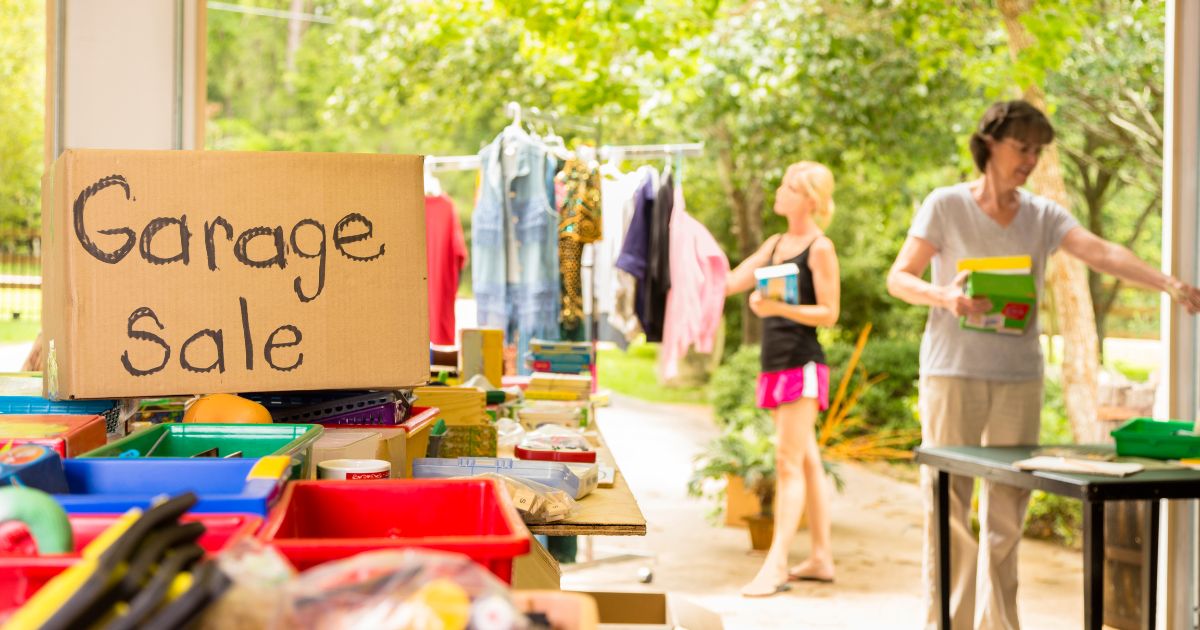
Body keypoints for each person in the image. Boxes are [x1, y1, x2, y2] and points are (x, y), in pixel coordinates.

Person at [886, 99, 1200, 629]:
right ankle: (948, 624)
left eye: (1037, 151)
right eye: (1021, 147)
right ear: (989, 143)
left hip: (1018, 378)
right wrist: (945, 297)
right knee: (949, 508)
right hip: (952, 371)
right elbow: (899, 277)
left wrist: (1167, 283)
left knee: (1007, 513)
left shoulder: (1041, 214)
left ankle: (1000, 626)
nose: (1029, 159)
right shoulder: (945, 205)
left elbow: (1101, 252)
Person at [726, 161, 841, 598]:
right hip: (776, 366)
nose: (779, 190)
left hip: (802, 365)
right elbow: (732, 281)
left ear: (809, 198)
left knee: (788, 465)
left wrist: (777, 310)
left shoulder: (820, 247)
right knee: (807, 462)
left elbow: (829, 313)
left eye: (788, 186)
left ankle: (775, 566)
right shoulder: (775, 244)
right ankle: (822, 558)